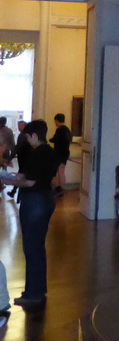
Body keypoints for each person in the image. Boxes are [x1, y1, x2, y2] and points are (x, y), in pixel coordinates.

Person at [3, 119, 59, 309]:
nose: (27, 140)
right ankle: (36, 291)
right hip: (44, 199)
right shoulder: (48, 152)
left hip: (36, 201)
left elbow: (29, 182)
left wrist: (10, 182)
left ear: (35, 136)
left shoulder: (40, 154)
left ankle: (33, 294)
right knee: (36, 247)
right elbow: (29, 176)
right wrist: (15, 178)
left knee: (32, 248)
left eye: (28, 137)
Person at [49, 113, 71, 198]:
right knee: (62, 171)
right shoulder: (67, 130)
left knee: (55, 172)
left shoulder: (59, 129)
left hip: (58, 153)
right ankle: (62, 188)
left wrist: (50, 139)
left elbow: (54, 139)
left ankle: (58, 189)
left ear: (57, 120)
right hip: (65, 152)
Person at [7, 119, 28, 200]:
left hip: (24, 159)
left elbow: (18, 147)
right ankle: (15, 192)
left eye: (21, 125)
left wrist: (10, 157)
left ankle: (15, 192)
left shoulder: (23, 135)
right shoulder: (24, 135)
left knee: (21, 175)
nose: (19, 127)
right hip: (23, 159)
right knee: (21, 175)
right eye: (18, 125)